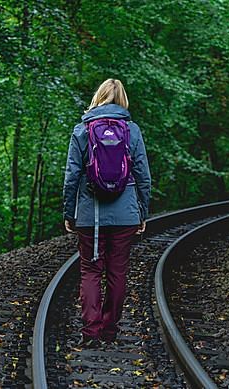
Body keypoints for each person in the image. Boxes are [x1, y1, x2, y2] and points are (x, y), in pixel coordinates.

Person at [62, 78, 151, 347]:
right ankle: (110, 331)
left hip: (91, 214)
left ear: (97, 97)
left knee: (90, 270)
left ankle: (91, 332)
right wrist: (142, 212)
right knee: (117, 272)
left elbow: (72, 176)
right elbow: (143, 175)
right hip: (125, 215)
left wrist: (70, 213)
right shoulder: (132, 131)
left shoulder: (82, 130)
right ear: (123, 100)